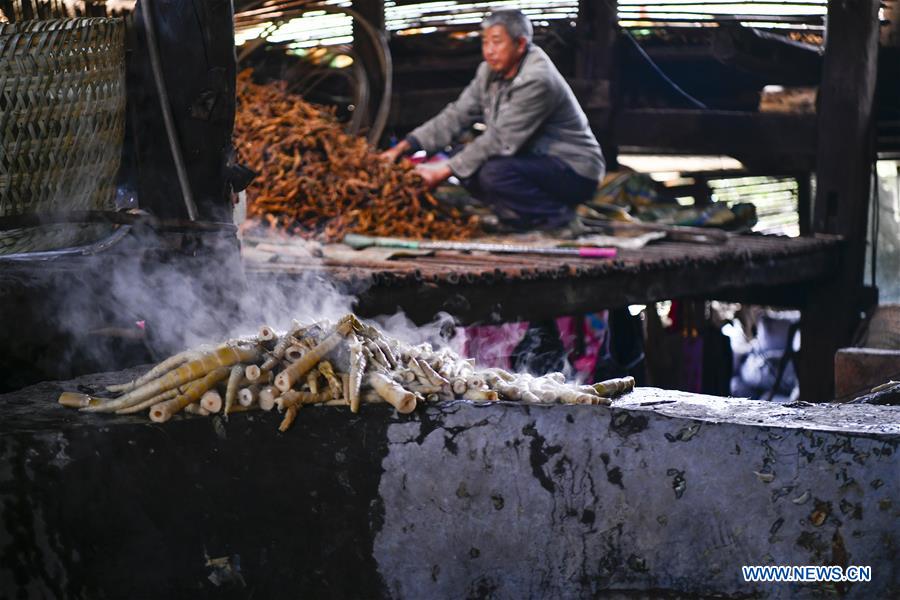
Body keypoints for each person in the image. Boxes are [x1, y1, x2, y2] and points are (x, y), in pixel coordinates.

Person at [381, 9, 605, 229]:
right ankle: (520, 217)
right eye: (485, 42)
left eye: (497, 42)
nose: (489, 51)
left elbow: (500, 139)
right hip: (535, 161)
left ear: (520, 44)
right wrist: (404, 147)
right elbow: (457, 114)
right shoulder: (488, 72)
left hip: (574, 170)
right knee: (463, 159)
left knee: (491, 172)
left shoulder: (537, 78)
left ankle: (558, 219)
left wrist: (441, 171)